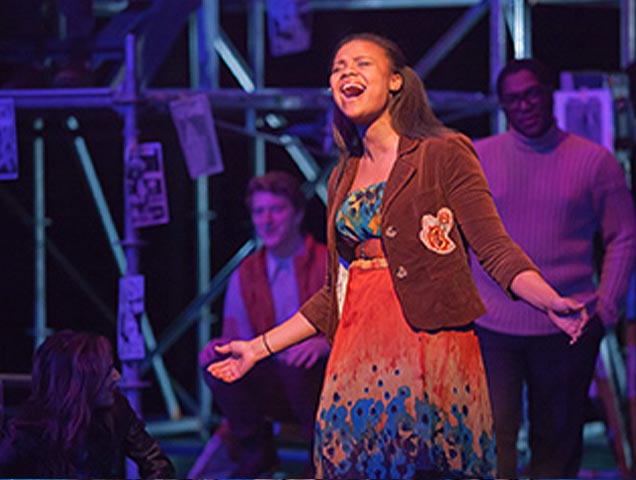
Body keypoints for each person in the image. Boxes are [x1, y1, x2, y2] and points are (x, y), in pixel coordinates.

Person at [206, 33, 589, 480]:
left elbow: (494, 247)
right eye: (337, 67)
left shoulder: (443, 153)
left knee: (427, 466)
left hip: (428, 347)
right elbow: (336, 293)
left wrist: (549, 301)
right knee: (350, 464)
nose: (345, 71)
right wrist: (256, 348)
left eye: (361, 63)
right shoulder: (342, 176)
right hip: (357, 353)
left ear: (394, 82)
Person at [470, 58, 636, 479]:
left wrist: (608, 307)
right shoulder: (477, 157)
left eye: (531, 94)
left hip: (569, 323)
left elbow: (623, 234)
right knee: (491, 438)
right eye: (512, 99)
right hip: (493, 323)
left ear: (548, 93)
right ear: (502, 105)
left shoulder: (594, 162)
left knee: (558, 443)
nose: (524, 105)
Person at [192, 170, 330, 478]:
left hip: (318, 380)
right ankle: (256, 449)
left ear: (297, 214)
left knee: (299, 361)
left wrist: (324, 343)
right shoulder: (248, 271)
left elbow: (353, 323)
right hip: (270, 376)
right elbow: (234, 335)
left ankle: (318, 455)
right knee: (215, 361)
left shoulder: (325, 261)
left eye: (276, 210)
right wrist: (219, 350)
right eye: (259, 211)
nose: (266, 220)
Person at [0, 330, 175, 479]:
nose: (117, 377)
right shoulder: (27, 435)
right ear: (83, 384)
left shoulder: (117, 409)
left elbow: (156, 463)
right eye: (107, 372)